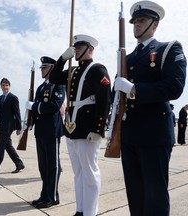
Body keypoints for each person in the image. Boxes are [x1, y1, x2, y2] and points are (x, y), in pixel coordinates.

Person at [114, 1, 186, 215]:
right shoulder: (127, 58)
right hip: (129, 135)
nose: (137, 25)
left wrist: (135, 89)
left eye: (142, 20)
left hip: (154, 134)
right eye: (135, 21)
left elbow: (174, 87)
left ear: (155, 23)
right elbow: (118, 96)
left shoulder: (169, 48)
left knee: (155, 199)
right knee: (135, 197)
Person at [50, 35, 111, 216]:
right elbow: (53, 78)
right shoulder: (73, 71)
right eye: (75, 47)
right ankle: (80, 210)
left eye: (79, 47)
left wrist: (97, 128)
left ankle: (90, 212)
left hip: (87, 129)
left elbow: (104, 101)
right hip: (72, 128)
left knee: (90, 173)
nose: (76, 50)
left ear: (90, 49)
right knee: (78, 173)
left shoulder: (98, 70)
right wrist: (62, 59)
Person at [26, 56, 65, 209]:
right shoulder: (41, 87)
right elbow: (37, 109)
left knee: (53, 165)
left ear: (52, 69)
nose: (42, 70)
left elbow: (54, 106)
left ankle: (52, 196)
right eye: (41, 68)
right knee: (43, 165)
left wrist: (35, 106)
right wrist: (31, 121)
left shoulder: (59, 85)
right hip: (40, 130)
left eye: (44, 67)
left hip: (52, 130)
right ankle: (45, 194)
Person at [0, 78, 24, 179]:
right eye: (3, 85)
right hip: (2, 127)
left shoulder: (13, 98)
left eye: (7, 85)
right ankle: (19, 163)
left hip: (9, 127)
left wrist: (19, 127)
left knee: (0, 147)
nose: (5, 87)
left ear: (9, 86)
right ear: (1, 87)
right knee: (7, 146)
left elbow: (17, 113)